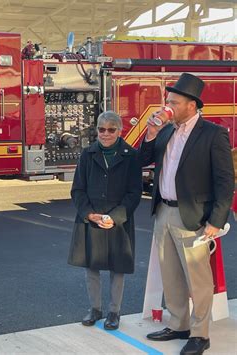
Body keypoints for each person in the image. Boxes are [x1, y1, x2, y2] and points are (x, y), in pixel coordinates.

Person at [140, 73, 234, 355]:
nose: (167, 106)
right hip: (163, 212)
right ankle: (178, 324)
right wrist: (151, 133)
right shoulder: (166, 130)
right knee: (171, 275)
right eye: (168, 101)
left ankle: (200, 333)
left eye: (174, 102)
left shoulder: (213, 134)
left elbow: (225, 180)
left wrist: (217, 221)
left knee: (198, 279)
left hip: (192, 216)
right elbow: (144, 160)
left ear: (191, 105)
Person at [68, 111, 142, 330]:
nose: (106, 134)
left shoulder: (131, 155)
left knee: (117, 267)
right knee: (92, 265)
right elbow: (78, 189)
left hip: (118, 220)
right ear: (97, 130)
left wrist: (116, 217)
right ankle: (95, 308)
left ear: (120, 131)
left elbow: (134, 193)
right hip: (93, 217)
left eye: (111, 129)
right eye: (102, 129)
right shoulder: (87, 154)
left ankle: (114, 312)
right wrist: (89, 214)